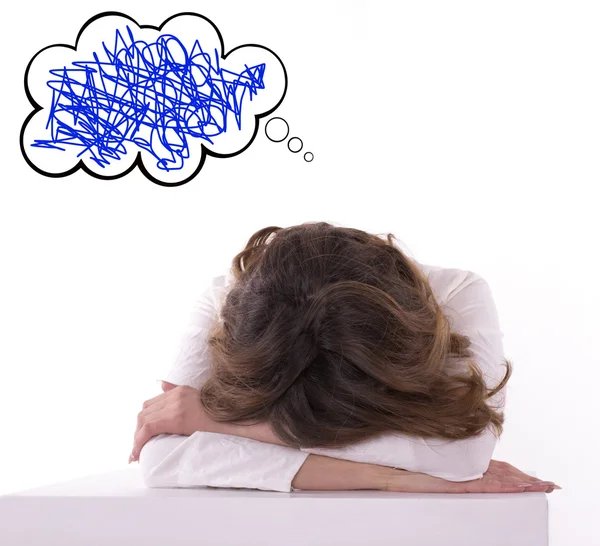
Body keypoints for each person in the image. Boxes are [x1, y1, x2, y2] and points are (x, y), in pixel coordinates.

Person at [130, 222, 560, 493]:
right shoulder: (229, 295)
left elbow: (462, 457)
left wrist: (219, 421)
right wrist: (396, 476)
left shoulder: (459, 293)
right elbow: (164, 456)